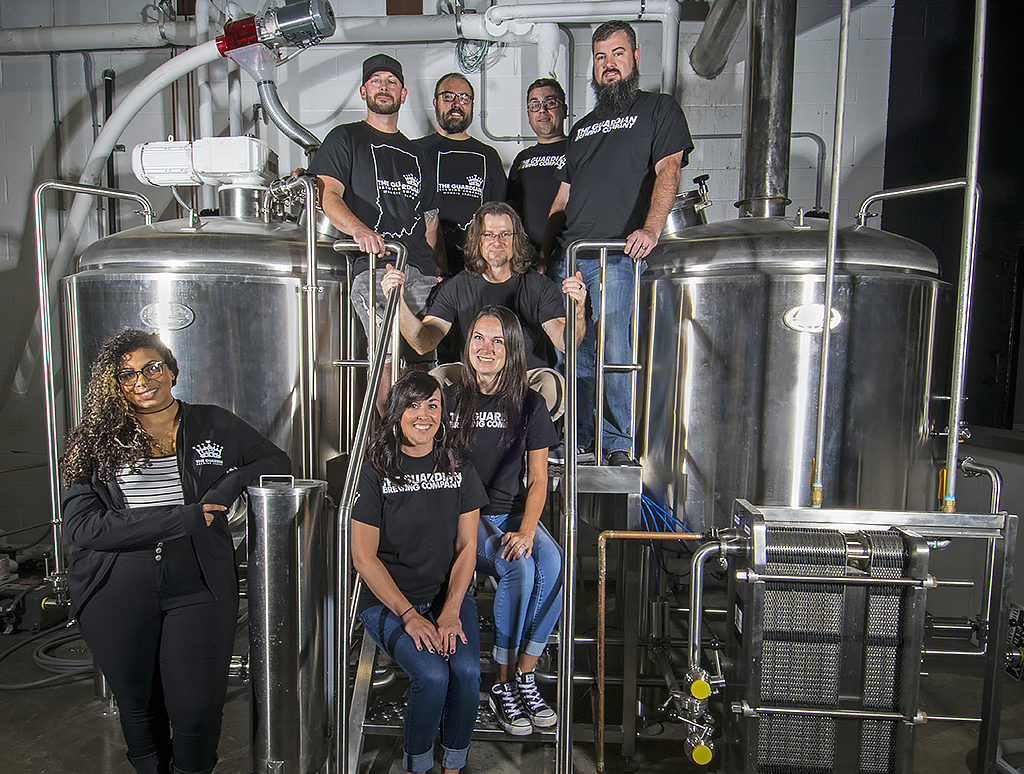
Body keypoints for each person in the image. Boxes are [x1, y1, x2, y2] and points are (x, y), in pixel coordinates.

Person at [60, 329, 290, 774]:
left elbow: (273, 460)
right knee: (140, 704)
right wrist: (186, 517)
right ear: (113, 384)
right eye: (126, 375)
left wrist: (226, 487)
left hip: (198, 581)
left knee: (198, 707)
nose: (142, 381)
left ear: (172, 370)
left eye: (152, 367)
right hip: (116, 588)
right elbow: (85, 527)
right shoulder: (90, 440)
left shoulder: (212, 422)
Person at [545, 20, 694, 466]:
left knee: (613, 348)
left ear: (635, 58)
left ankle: (616, 443)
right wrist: (542, 255)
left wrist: (651, 228)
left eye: (618, 54)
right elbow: (563, 197)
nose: (609, 64)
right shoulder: (583, 127)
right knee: (574, 350)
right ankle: (578, 438)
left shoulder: (658, 109)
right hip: (571, 257)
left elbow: (669, 169)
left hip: (617, 255)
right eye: (601, 56)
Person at [351, 371, 488, 774]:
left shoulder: (457, 465)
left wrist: (450, 610)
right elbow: (364, 557)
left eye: (433, 405)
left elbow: (467, 547)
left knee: (465, 669)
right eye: (413, 405)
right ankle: (419, 764)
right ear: (396, 412)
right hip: (389, 603)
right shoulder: (375, 470)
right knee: (432, 676)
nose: (423, 415)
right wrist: (409, 615)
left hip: (447, 596)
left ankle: (454, 765)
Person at [446, 306, 562, 735]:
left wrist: (528, 529)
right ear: (468, 344)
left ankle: (524, 675)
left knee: (552, 564)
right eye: (479, 337)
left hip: (512, 511)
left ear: (513, 349)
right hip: (465, 513)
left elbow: (538, 480)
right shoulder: (452, 399)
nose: (486, 348)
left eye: (497, 341)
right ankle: (501, 682)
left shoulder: (530, 404)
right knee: (518, 569)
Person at [306, 54, 442, 409]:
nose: (384, 86)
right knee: (385, 354)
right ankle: (380, 446)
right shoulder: (345, 138)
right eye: (377, 81)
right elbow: (327, 194)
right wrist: (360, 231)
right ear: (364, 90)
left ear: (404, 93)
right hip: (375, 269)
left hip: (420, 270)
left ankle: (417, 449)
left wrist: (433, 266)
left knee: (422, 356)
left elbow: (429, 217)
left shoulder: (419, 153)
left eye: (392, 81)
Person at [382, 201, 586, 370]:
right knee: (440, 378)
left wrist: (577, 312)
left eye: (505, 234)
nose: (497, 241)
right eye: (488, 234)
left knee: (549, 384)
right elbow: (423, 342)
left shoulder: (540, 286)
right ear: (477, 240)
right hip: (476, 383)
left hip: (527, 382)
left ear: (517, 240)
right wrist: (397, 302)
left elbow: (566, 342)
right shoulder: (456, 287)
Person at [416, 73, 507, 277]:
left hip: (476, 270)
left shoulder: (488, 156)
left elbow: (500, 216)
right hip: (424, 271)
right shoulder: (415, 152)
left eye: (464, 98)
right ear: (435, 102)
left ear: (472, 105)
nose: (457, 104)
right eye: (448, 97)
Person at [506, 78, 568, 251]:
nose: (542, 110)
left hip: (569, 256)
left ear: (564, 110)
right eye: (534, 105)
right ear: (529, 115)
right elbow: (511, 206)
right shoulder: (522, 158)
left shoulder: (578, 150)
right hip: (528, 256)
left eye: (550, 102)